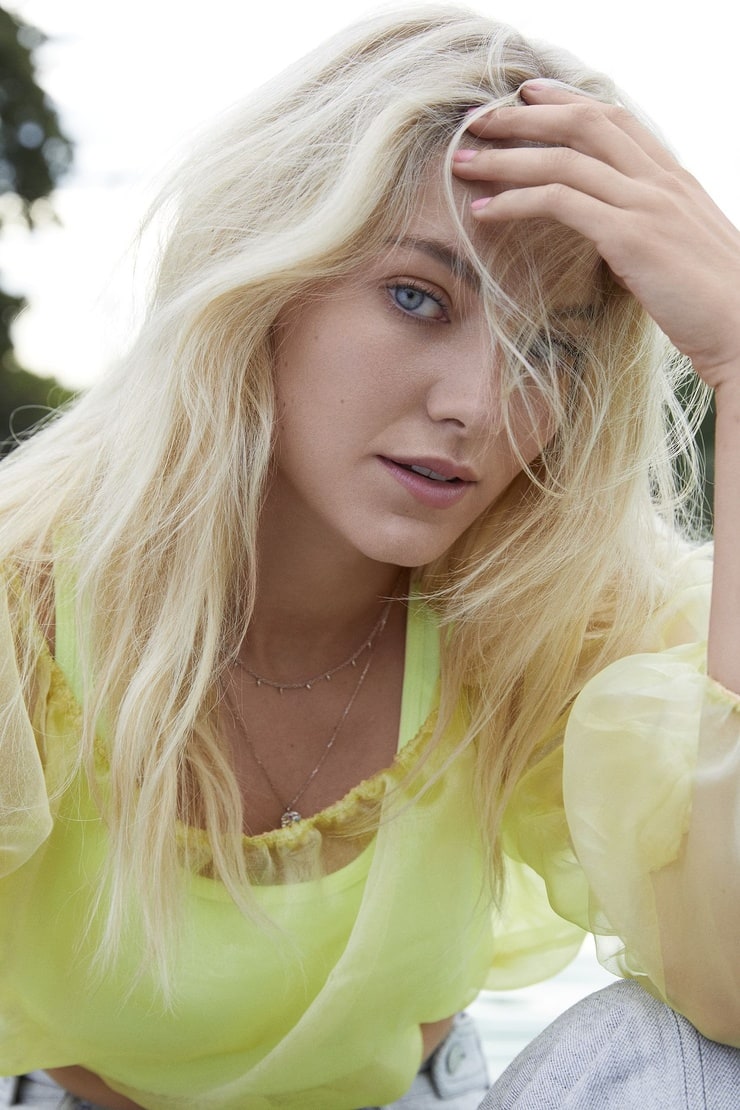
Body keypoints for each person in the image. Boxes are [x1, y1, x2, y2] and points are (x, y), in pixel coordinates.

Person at [1, 6, 739, 1108]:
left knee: (695, 1062)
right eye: (417, 297)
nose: (479, 405)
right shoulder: (24, 600)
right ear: (266, 279)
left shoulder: (555, 614)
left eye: (549, 347)